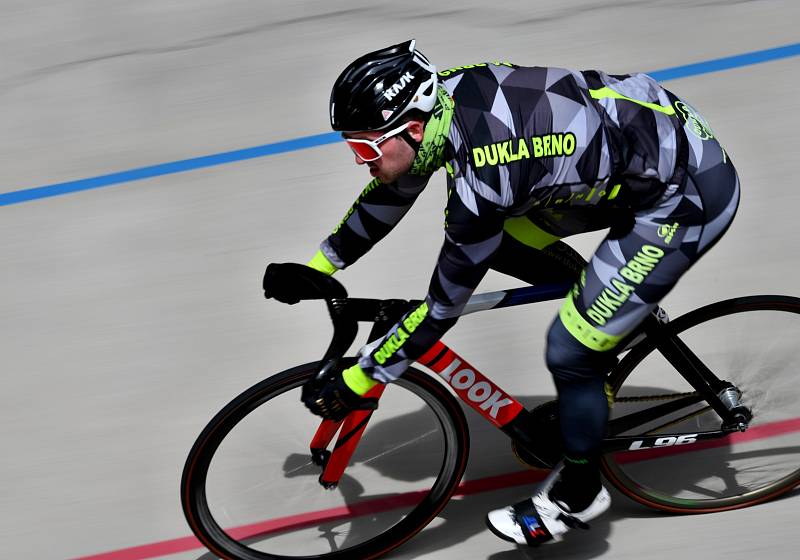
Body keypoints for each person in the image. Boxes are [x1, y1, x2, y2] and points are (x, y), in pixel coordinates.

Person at [262, 39, 740, 546]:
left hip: (684, 194)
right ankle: (614, 304)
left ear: (413, 127)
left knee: (570, 348)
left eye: (364, 147)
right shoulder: (444, 100)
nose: (359, 160)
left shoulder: (484, 180)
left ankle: (578, 492)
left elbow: (444, 305)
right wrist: (319, 266)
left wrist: (364, 375)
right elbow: (393, 187)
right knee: (509, 249)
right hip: (633, 156)